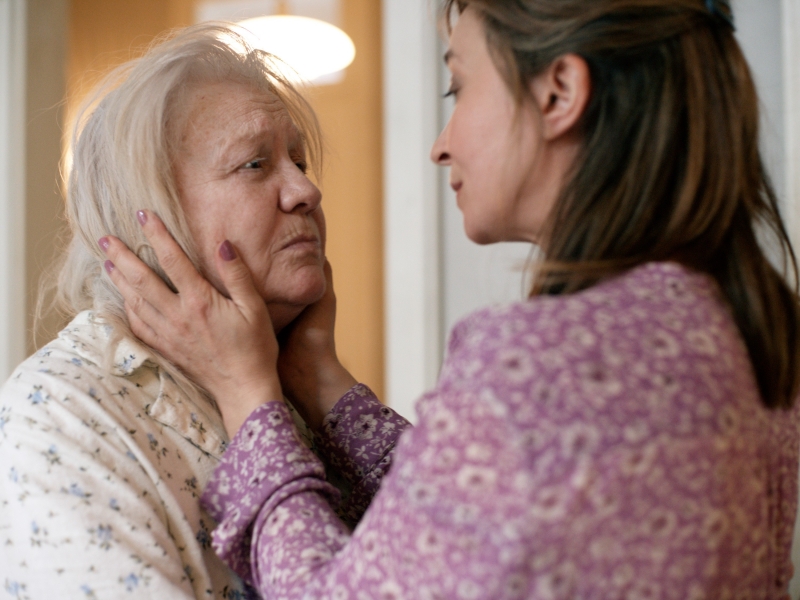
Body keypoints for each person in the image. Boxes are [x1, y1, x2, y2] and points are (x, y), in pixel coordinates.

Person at [101, 0, 800, 597]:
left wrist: (248, 396)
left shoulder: (541, 364)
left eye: (457, 88)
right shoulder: (745, 332)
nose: (441, 145)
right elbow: (469, 532)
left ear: (558, 92)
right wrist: (322, 380)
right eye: (256, 163)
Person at [0, 23, 335, 598]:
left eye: (299, 161)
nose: (305, 191)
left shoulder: (297, 394)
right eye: (255, 164)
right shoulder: (61, 411)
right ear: (146, 214)